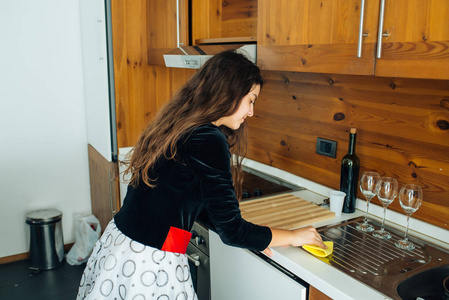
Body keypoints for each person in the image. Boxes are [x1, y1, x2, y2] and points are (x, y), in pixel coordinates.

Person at [77, 50, 325, 300]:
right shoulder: (208, 139)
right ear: (230, 92)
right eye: (251, 100)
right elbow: (232, 231)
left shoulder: (180, 123)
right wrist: (293, 236)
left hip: (120, 246)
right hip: (148, 261)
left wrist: (260, 238)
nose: (251, 112)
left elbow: (200, 205)